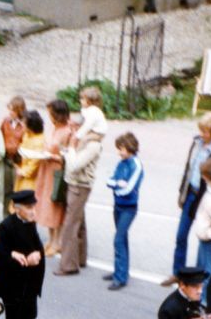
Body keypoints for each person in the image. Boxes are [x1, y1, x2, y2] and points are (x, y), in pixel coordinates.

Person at [164, 112, 211, 286]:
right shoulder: (197, 142)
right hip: (191, 194)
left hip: (206, 200)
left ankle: (199, 281)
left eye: (205, 131)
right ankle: (179, 274)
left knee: (204, 242)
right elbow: (189, 169)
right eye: (201, 130)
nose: (202, 134)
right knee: (181, 236)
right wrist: (182, 191)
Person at [0, 190, 45, 319]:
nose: (33, 211)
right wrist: (21, 259)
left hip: (29, 282)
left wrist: (38, 254)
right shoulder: (6, 227)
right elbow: (0, 256)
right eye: (29, 207)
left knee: (30, 314)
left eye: (33, 207)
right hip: (12, 283)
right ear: (17, 209)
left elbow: (36, 245)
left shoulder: (30, 223)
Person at [55, 112, 103, 276]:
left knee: (70, 225)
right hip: (74, 183)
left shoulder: (92, 144)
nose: (70, 130)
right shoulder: (80, 139)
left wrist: (71, 148)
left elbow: (75, 165)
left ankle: (68, 265)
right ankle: (80, 257)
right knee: (79, 221)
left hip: (80, 185)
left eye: (73, 126)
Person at [104, 133, 144, 290]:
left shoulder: (136, 165)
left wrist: (116, 186)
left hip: (128, 207)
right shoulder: (122, 163)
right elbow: (109, 180)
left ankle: (120, 278)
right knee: (122, 239)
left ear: (129, 148)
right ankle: (120, 271)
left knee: (118, 240)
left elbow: (128, 189)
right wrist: (117, 184)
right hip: (118, 205)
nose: (119, 152)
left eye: (121, 149)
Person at [35, 99, 72, 256]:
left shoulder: (68, 132)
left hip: (57, 171)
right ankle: (50, 240)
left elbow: (68, 155)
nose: (49, 116)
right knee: (46, 205)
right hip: (46, 169)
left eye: (51, 113)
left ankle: (57, 242)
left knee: (55, 205)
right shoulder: (53, 128)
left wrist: (54, 157)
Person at [0, 96, 27, 213]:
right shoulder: (5, 121)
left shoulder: (25, 125)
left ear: (20, 111)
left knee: (17, 190)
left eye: (13, 110)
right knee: (6, 190)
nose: (10, 112)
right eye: (9, 109)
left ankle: (17, 216)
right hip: (6, 159)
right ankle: (6, 215)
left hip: (18, 161)